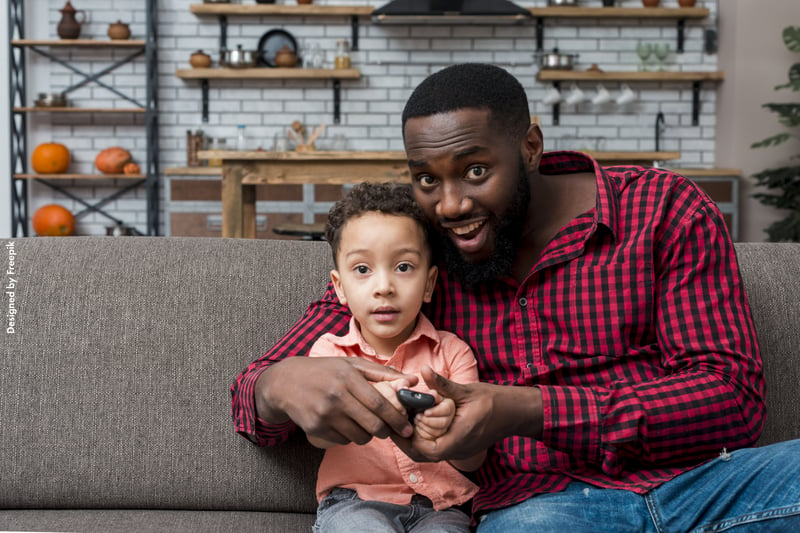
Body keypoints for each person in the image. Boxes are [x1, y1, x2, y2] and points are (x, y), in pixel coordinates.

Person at [232, 64, 800, 531]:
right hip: (542, 510)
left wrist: (528, 410)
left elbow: (734, 400)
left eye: (476, 170)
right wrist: (280, 385)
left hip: (709, 488)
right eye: (427, 179)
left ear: (530, 146)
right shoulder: (420, 253)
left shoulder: (661, 210)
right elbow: (256, 389)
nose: (450, 204)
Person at [306, 182, 485, 532]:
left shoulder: (453, 352)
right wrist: (365, 407)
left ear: (429, 283)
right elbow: (318, 436)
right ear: (339, 287)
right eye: (362, 269)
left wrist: (449, 429)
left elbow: (473, 458)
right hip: (355, 502)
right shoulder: (329, 354)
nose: (384, 286)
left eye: (403, 267)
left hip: (443, 507)